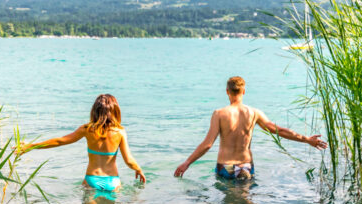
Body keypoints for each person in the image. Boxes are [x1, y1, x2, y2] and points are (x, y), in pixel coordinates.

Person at [174, 76, 327, 180]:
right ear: (244, 91)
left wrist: (187, 162)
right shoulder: (254, 113)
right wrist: (307, 139)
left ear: (227, 91)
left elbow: (208, 144)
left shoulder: (219, 114)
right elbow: (278, 130)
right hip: (245, 167)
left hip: (225, 167)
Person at [16, 94, 146, 193]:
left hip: (92, 179)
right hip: (113, 181)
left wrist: (31, 146)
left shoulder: (87, 129)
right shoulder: (120, 132)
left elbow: (60, 141)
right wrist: (138, 170)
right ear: (116, 111)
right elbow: (128, 160)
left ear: (94, 111)